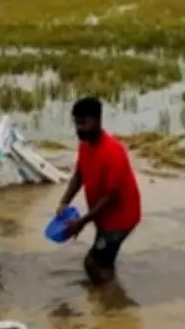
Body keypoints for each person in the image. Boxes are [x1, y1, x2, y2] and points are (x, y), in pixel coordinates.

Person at [57, 96, 142, 285]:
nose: (79, 129)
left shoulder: (113, 152)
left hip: (120, 218)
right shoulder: (85, 146)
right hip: (103, 216)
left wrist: (82, 221)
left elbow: (111, 197)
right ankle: (109, 287)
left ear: (97, 120)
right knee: (104, 257)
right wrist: (64, 201)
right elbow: (79, 176)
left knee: (92, 263)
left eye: (83, 123)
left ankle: (110, 304)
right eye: (77, 123)